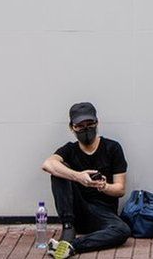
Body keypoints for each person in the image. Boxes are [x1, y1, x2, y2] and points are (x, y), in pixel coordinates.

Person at [41, 102, 131, 259]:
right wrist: (78, 176)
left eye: (90, 124)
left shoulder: (112, 148)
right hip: (76, 212)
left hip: (103, 214)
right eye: (80, 126)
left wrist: (104, 186)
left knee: (123, 230)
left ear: (97, 123)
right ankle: (68, 228)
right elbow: (48, 164)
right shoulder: (69, 149)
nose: (86, 129)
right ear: (72, 128)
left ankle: (71, 246)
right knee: (58, 172)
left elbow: (120, 189)